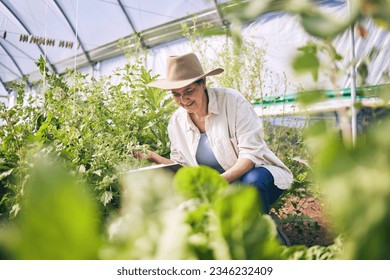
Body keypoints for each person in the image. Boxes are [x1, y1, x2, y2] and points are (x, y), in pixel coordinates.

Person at [137, 52, 293, 216]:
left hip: (258, 176)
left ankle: (261, 234)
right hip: (218, 188)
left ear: (203, 83)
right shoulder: (176, 122)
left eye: (188, 91)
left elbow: (251, 155)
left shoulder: (232, 102)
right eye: (176, 94)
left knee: (252, 182)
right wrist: (153, 157)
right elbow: (182, 167)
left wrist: (218, 182)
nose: (183, 100)